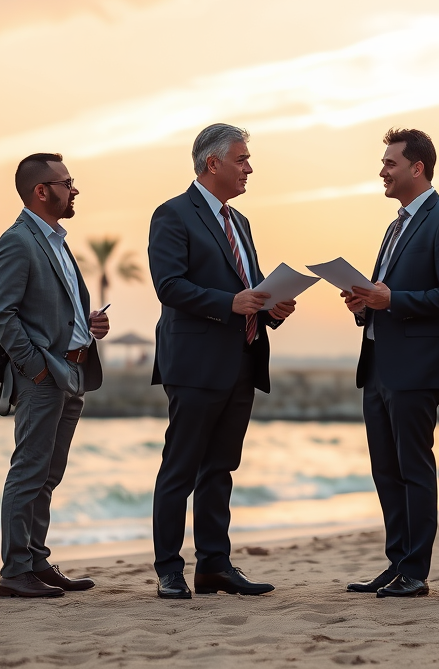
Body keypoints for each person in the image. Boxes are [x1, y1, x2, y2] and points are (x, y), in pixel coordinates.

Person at [148, 123, 297, 599]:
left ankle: (214, 566)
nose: (249, 167)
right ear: (213, 164)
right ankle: (170, 570)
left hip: (242, 362)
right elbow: (169, 286)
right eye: (242, 159)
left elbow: (249, 287)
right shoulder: (172, 215)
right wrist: (229, 302)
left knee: (220, 469)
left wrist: (272, 307)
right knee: (181, 469)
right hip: (194, 364)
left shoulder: (241, 223)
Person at [341, 128, 439, 598]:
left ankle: (416, 571)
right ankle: (397, 563)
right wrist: (365, 303)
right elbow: (386, 296)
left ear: (417, 168)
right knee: (384, 469)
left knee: (414, 467)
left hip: (416, 366)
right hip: (377, 362)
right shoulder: (395, 224)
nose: (382, 171)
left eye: (390, 163)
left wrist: (390, 297)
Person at [0, 152, 110, 598]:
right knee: (29, 471)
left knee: (49, 474)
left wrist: (89, 324)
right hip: (44, 378)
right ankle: (15, 572)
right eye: (67, 181)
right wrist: (35, 369)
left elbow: (52, 309)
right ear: (42, 191)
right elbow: (0, 314)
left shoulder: (56, 240)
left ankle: (37, 561)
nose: (74, 188)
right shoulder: (17, 241)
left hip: (74, 371)